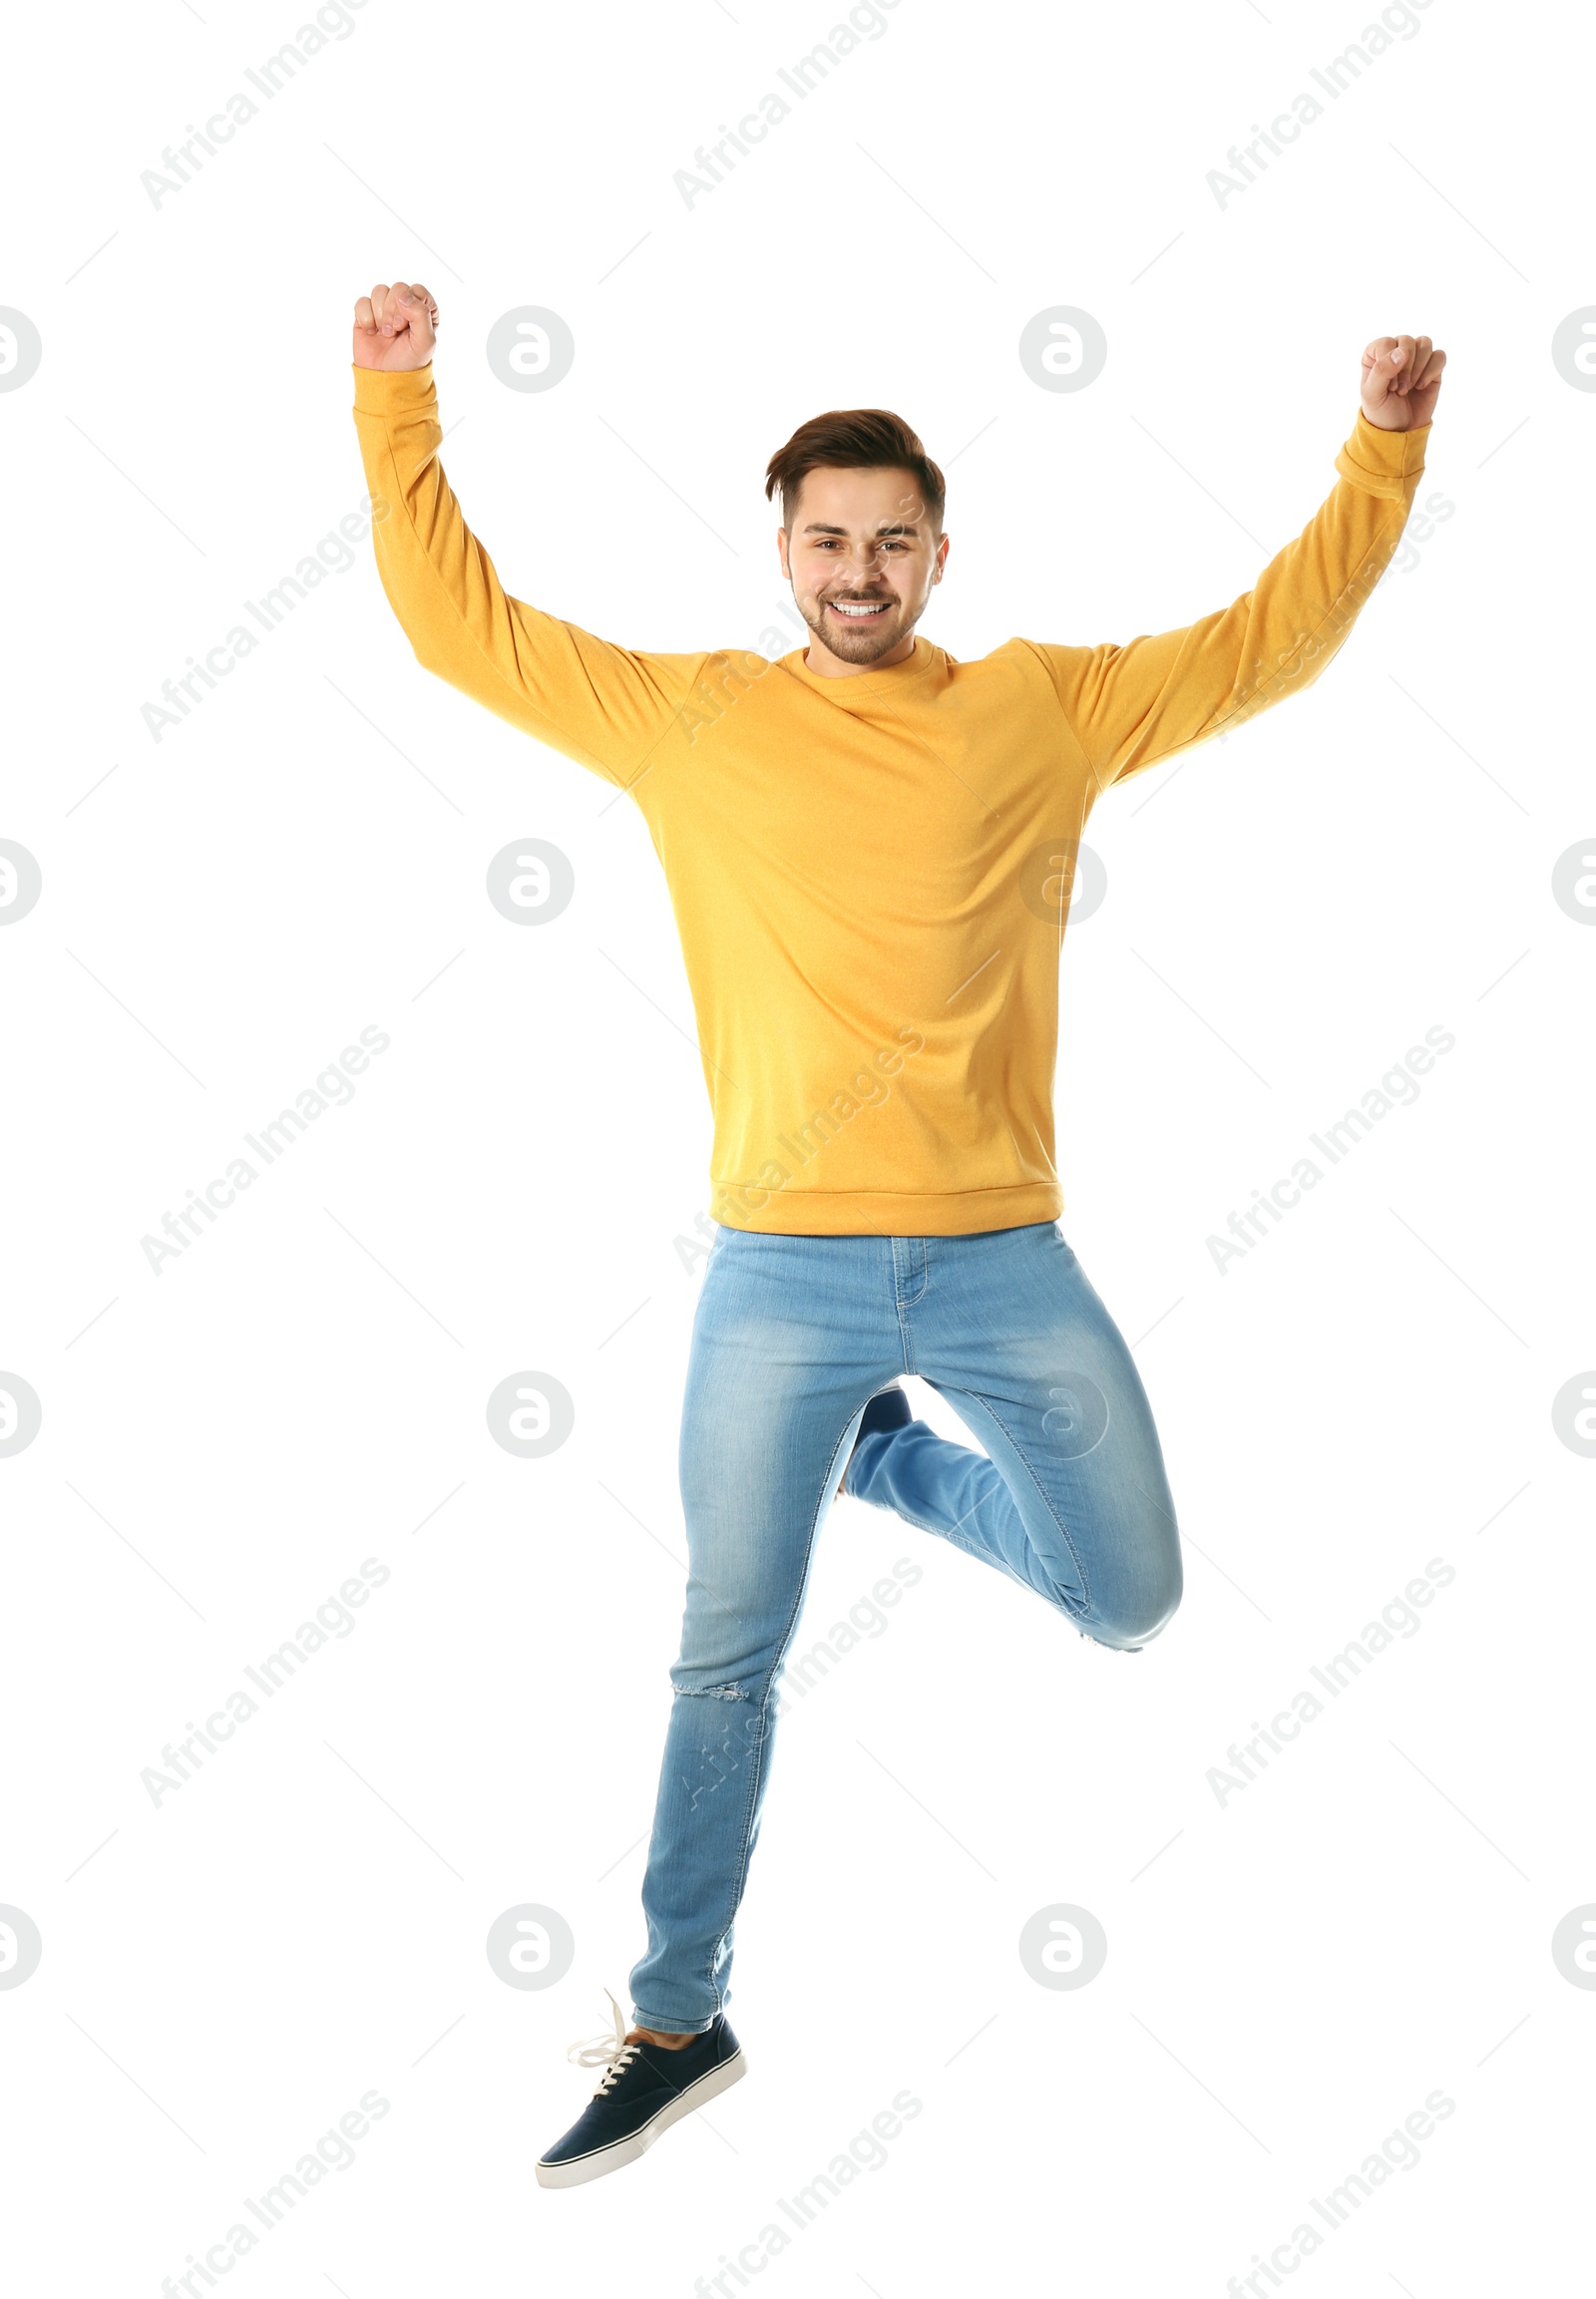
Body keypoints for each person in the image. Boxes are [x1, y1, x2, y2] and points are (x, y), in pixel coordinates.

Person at [350, 283, 1443, 2187]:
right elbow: (461, 626)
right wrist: (396, 394)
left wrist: (1381, 447)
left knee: (1132, 1597)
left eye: (893, 541)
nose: (861, 570)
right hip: (778, 1273)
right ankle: (679, 2020)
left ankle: (886, 1461)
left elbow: (1274, 639)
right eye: (827, 538)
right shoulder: (693, 718)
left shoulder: (1042, 704)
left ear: (941, 551)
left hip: (1006, 1253)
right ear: (782, 548)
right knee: (724, 1654)